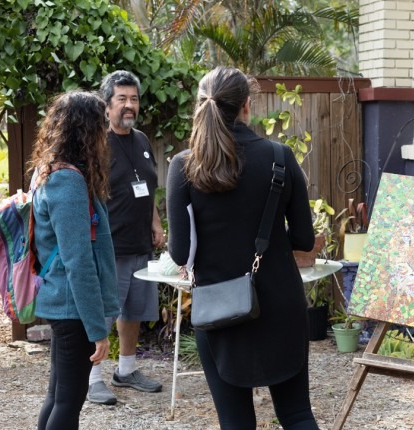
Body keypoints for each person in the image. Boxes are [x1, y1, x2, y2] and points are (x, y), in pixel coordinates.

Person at [166, 66, 319, 429]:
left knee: (235, 421)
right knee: (297, 414)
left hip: (219, 308)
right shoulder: (280, 157)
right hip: (281, 302)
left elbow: (180, 254)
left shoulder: (184, 166)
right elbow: (304, 239)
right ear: (247, 105)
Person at [31, 91, 119, 429]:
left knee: (58, 396)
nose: (106, 132)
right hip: (72, 306)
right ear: (86, 130)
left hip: (65, 302)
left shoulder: (54, 172)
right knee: (68, 401)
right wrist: (98, 330)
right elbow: (78, 261)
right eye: (101, 124)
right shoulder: (67, 181)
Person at [87, 70, 165, 405]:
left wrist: (156, 223)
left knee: (133, 310)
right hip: (109, 245)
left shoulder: (142, 141)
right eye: (122, 99)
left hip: (140, 244)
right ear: (107, 106)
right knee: (104, 312)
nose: (129, 105)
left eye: (133, 99)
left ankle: (127, 370)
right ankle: (91, 378)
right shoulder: (97, 144)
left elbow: (148, 187)